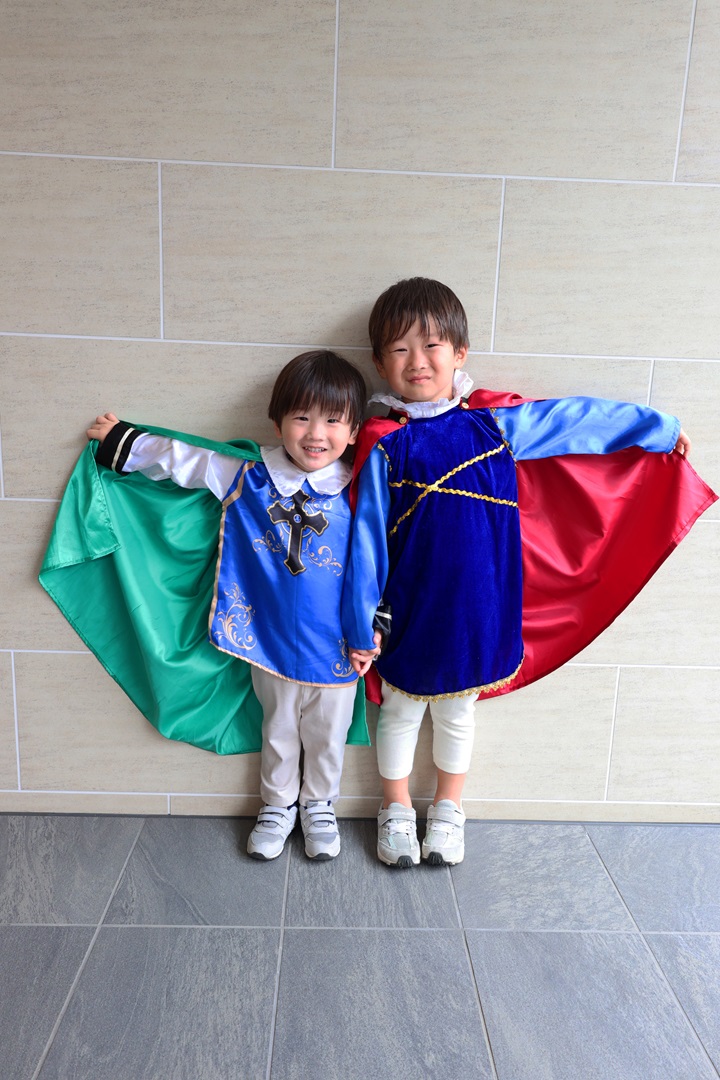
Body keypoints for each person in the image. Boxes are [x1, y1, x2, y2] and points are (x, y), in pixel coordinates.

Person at [342, 277, 714, 870]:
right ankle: (395, 808)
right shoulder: (385, 444)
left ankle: (448, 810)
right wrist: (361, 623)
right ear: (379, 364)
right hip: (411, 609)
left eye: (432, 345)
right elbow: (366, 542)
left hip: (480, 608)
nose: (418, 361)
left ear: (459, 353)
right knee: (400, 709)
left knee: (458, 713)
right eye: (400, 349)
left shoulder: (495, 426)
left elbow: (573, 420)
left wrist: (656, 428)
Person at [86, 350, 369, 862]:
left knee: (328, 731)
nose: (315, 434)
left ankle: (320, 804)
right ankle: (277, 805)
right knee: (278, 727)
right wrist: (124, 441)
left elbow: (384, 560)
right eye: (301, 417)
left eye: (333, 420)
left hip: (339, 642)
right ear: (277, 422)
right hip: (269, 636)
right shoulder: (249, 475)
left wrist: (373, 629)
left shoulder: (362, 488)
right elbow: (186, 460)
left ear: (353, 431)